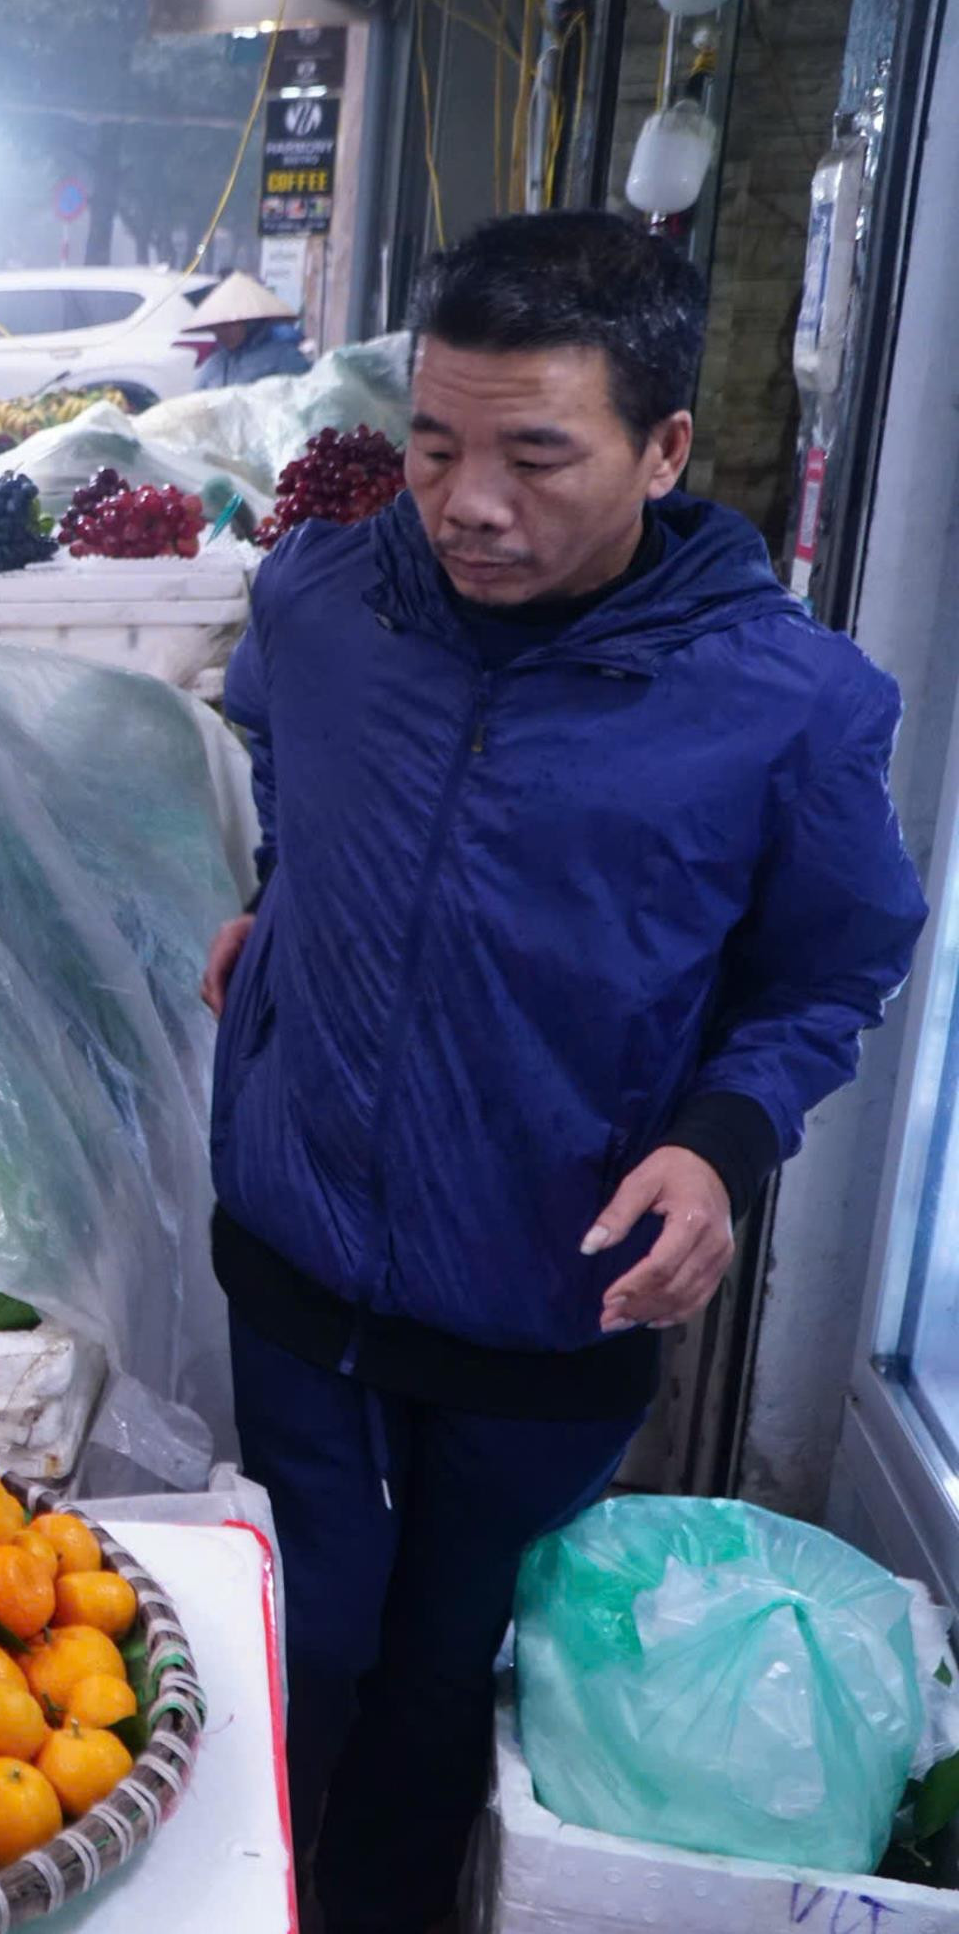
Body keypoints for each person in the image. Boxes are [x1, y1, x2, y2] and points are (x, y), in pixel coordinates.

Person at [200, 211, 926, 1934]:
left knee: (446, 1679)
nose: (467, 501)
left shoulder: (789, 705)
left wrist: (722, 1136)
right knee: (297, 1649)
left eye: (537, 454)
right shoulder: (319, 598)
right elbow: (286, 767)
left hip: (549, 1302)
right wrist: (280, 905)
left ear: (665, 448)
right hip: (296, 1258)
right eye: (434, 445)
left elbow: (833, 961)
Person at [189, 271, 312, 389]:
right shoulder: (212, 366)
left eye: (229, 326)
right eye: (217, 328)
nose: (223, 334)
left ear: (249, 323)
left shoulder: (283, 357)